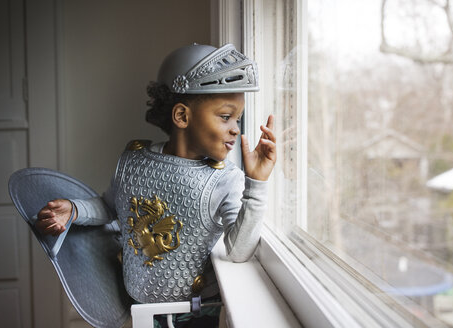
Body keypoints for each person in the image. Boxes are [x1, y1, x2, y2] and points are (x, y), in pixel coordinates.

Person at [35, 43, 276, 327]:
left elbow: (238, 251)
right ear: (182, 116)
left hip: (195, 316)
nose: (236, 128)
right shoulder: (135, 159)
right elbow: (110, 207)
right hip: (137, 309)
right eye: (225, 117)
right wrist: (73, 210)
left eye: (238, 118)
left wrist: (256, 184)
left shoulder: (225, 179)